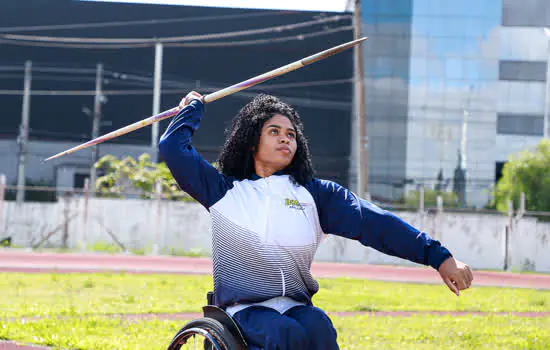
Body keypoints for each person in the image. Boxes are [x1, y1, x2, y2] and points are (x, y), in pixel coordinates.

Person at [159, 91, 474, 350]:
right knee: (287, 336)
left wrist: (438, 256)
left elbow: (376, 223)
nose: (286, 140)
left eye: (291, 135)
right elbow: (173, 148)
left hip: (296, 305)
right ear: (252, 141)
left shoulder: (316, 195)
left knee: (320, 328)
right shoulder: (223, 190)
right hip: (243, 311)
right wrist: (192, 109)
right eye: (274, 132)